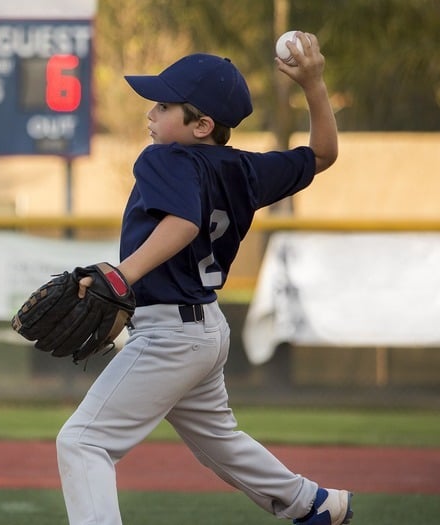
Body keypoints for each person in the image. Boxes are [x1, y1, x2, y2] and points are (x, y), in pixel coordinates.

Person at [56, 35, 351, 524]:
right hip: (204, 328)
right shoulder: (245, 169)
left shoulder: (165, 158)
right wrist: (314, 85)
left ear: (202, 125)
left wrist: (121, 275)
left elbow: (184, 221)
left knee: (83, 441)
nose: (151, 112)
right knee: (219, 439)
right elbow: (321, 155)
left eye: (164, 104)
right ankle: (313, 505)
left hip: (170, 333)